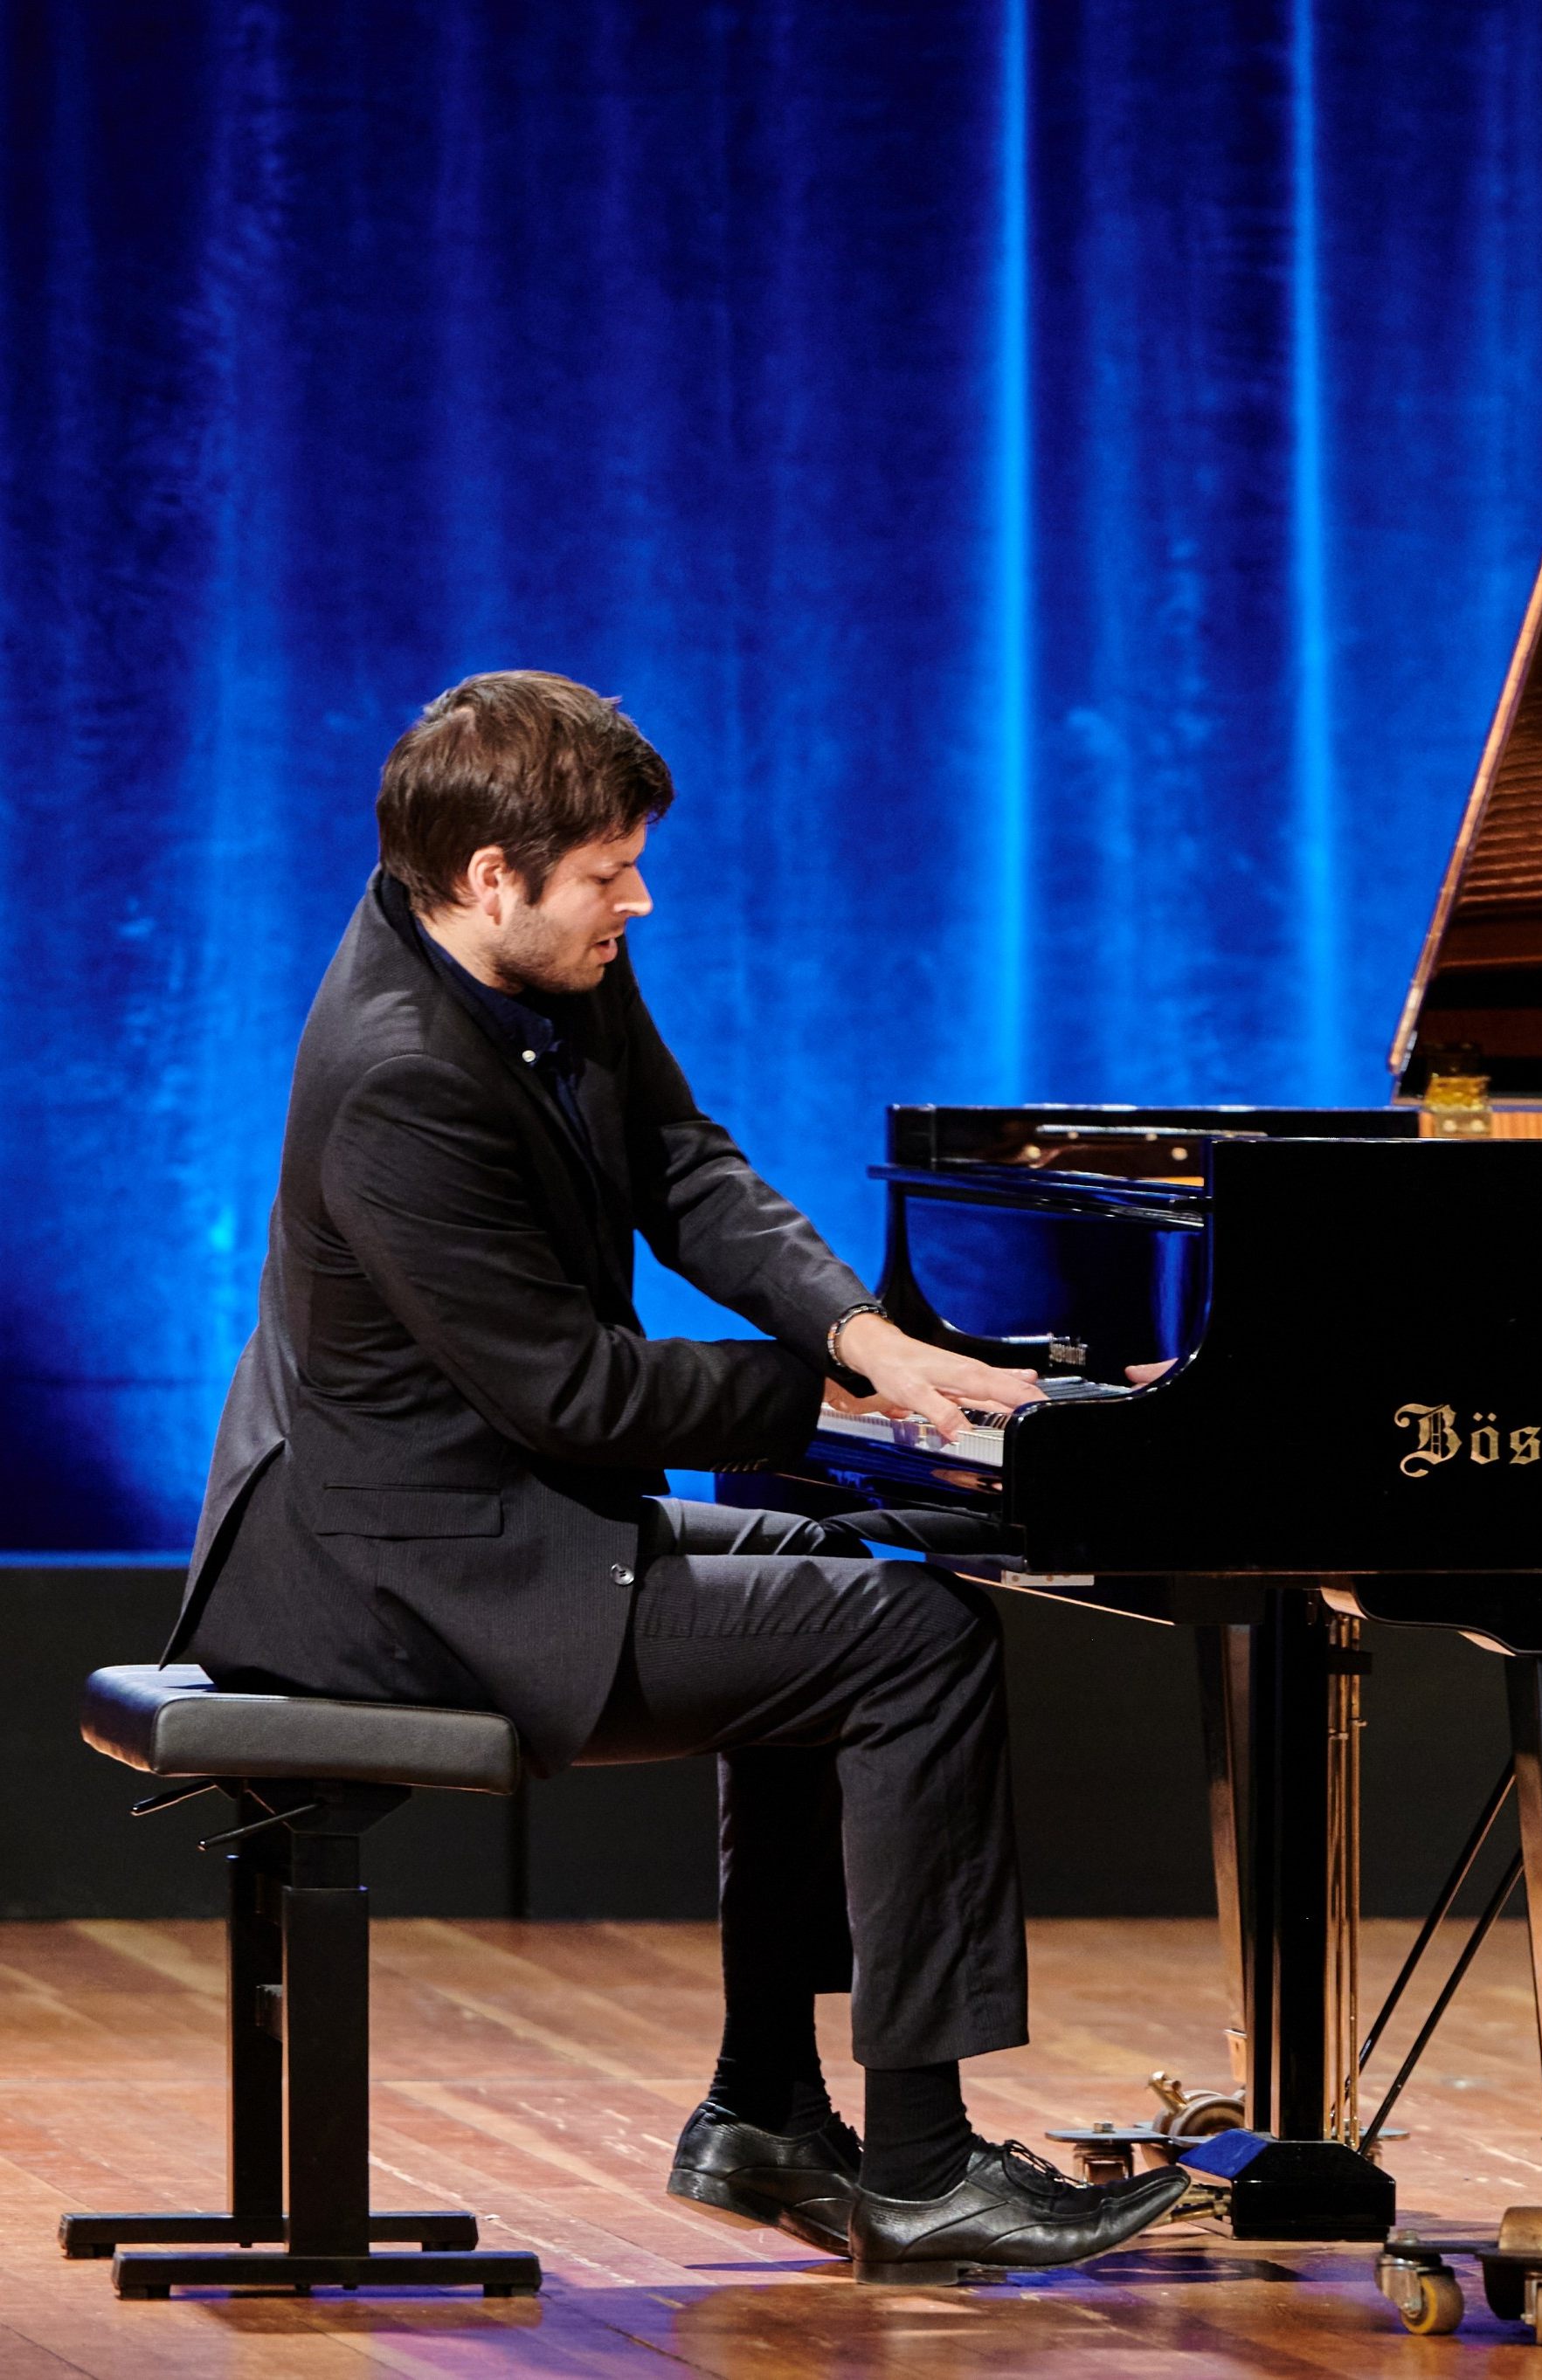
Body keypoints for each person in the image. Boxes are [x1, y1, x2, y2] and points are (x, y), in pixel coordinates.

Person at [175, 669, 1188, 2281]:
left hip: (464, 1511)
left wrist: (860, 1332)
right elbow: (573, 1397)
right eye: (608, 873)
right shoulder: (398, 1076)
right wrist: (862, 1396)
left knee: (830, 1568)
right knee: (909, 1642)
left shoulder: (529, 960)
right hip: (393, 1574)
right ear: (492, 873)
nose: (637, 899)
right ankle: (922, 2171)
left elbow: (681, 1161)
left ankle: (767, 2111)